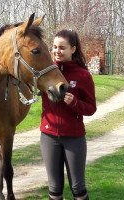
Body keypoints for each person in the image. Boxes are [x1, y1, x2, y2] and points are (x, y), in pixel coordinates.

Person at [40, 29, 97, 200]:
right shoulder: (46, 73)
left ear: (73, 49)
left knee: (78, 188)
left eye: (62, 47)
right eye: (55, 47)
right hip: (48, 136)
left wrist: (75, 103)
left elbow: (91, 108)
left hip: (74, 138)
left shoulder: (83, 75)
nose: (57, 51)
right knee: (54, 189)